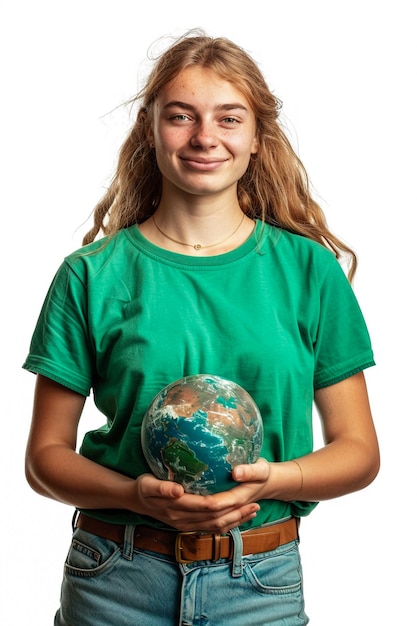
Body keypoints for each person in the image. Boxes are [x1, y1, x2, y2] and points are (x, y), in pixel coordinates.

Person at [23, 29, 380, 626]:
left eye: (229, 118)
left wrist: (271, 481)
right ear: (150, 129)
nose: (205, 137)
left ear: (257, 138)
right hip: (116, 576)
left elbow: (359, 452)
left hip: (259, 582)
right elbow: (44, 458)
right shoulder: (91, 275)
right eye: (181, 116)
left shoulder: (310, 271)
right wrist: (134, 495)